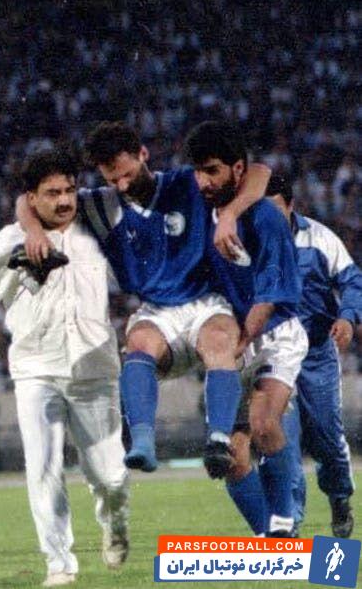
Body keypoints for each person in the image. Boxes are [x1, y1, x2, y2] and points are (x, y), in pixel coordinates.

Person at [0, 148, 129, 587]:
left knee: (109, 475)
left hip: (95, 369)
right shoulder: (10, 241)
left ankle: (114, 522)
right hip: (36, 369)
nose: (64, 200)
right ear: (31, 198)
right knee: (44, 468)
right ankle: (59, 563)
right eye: (52, 193)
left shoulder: (98, 226)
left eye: (69, 189)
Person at [15, 122, 271, 478]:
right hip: (156, 310)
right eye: (112, 179)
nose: (122, 185)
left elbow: (260, 173)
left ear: (143, 155)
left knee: (218, 340)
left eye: (127, 174)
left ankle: (217, 441)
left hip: (205, 300)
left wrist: (229, 214)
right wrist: (33, 231)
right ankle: (142, 443)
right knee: (138, 343)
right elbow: (25, 201)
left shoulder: (186, 184)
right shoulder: (102, 205)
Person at [183, 121, 308, 537]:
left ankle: (285, 523)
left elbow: (268, 298)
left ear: (237, 169)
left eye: (212, 171)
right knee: (234, 459)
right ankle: (271, 542)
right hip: (233, 334)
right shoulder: (200, 208)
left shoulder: (266, 219)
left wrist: (234, 349)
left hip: (274, 333)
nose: (203, 181)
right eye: (198, 171)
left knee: (263, 423)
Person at [266, 178, 361, 538]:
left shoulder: (320, 239)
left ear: (291, 207)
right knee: (282, 442)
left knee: (326, 437)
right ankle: (288, 524)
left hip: (316, 354)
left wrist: (347, 317)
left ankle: (339, 497)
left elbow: (352, 281)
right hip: (274, 356)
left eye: (274, 211)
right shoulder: (250, 242)